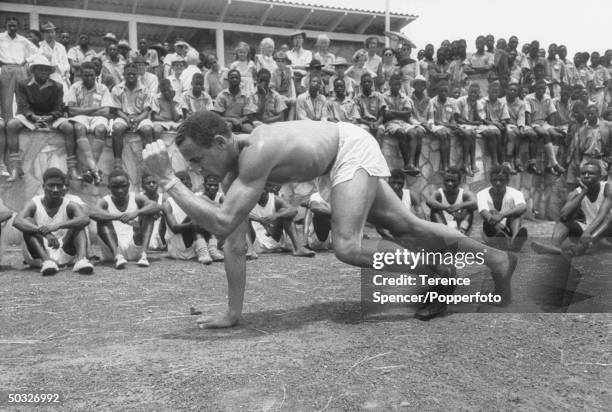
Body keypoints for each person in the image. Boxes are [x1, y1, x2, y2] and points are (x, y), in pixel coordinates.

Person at [142, 112, 518, 328]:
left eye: (195, 158)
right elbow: (233, 242)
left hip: (348, 149)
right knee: (408, 227)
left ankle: (436, 271)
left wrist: (167, 181)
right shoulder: (235, 173)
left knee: (348, 247)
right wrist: (232, 314)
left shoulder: (256, 153)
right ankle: (496, 259)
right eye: (189, 164)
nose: (194, 168)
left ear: (221, 143)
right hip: (334, 160)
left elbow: (220, 222)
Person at [12, 168, 93, 276]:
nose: (55, 189)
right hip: (39, 255)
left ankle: (82, 260)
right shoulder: (35, 202)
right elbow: (17, 221)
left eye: (59, 185)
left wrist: (57, 226)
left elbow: (85, 219)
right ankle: (47, 262)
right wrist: (44, 233)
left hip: (64, 252)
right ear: (43, 186)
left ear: (63, 186)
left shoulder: (69, 204)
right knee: (27, 222)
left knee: (79, 223)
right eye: (51, 185)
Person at [6, 56, 74, 183]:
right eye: (40, 69)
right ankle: (16, 167)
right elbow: (22, 105)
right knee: (11, 125)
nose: (44, 72)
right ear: (34, 71)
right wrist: (34, 117)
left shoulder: (57, 86)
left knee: (68, 127)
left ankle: (72, 168)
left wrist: (49, 118)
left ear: (50, 72)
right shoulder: (23, 84)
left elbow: (59, 108)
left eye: (46, 70)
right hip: (30, 116)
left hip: (50, 116)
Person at [532, 161, 612, 256]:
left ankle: (575, 251)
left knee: (610, 217)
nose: (586, 176)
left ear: (600, 176)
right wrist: (583, 192)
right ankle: (554, 247)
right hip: (591, 232)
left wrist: (587, 232)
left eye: (591, 173)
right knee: (565, 219)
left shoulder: (608, 188)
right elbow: (564, 215)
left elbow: (603, 216)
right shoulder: (576, 192)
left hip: (606, 230)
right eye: (583, 173)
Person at [90, 169, 159, 268]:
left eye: (123, 186)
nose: (120, 190)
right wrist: (118, 217)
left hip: (135, 247)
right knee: (102, 218)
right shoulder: (105, 201)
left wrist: (136, 213)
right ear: (109, 187)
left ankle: (144, 255)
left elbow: (155, 205)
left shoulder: (136, 198)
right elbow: (92, 212)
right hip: (112, 250)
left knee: (150, 213)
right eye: (115, 187)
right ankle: (118, 256)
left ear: (129, 185)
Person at [65, 61, 112, 185]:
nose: (89, 78)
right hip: (82, 117)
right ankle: (95, 170)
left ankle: (90, 170)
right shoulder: (75, 87)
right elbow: (71, 110)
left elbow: (106, 111)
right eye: (86, 75)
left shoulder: (103, 88)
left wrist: (83, 110)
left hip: (96, 118)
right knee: (79, 128)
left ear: (95, 75)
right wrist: (93, 109)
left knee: (101, 129)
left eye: (91, 75)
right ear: (81, 75)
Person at [247, 183, 315, 257]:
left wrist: (276, 216)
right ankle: (250, 251)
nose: (262, 191)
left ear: (267, 190)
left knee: (284, 212)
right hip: (255, 242)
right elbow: (236, 213)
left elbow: (293, 210)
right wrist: (259, 220)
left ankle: (298, 249)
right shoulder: (248, 200)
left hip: (273, 238)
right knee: (243, 219)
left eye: (264, 189)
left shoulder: (275, 199)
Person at [161, 171, 215, 263]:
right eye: (182, 182)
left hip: (195, 246)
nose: (187, 184)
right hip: (179, 249)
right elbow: (174, 228)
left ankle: (211, 249)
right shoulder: (168, 204)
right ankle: (205, 251)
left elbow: (216, 207)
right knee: (195, 215)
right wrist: (191, 224)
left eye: (188, 182)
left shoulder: (198, 196)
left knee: (208, 211)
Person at [109, 63, 155, 169]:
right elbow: (117, 110)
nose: (131, 75)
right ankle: (117, 160)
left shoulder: (145, 89)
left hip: (141, 116)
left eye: (133, 73)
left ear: (137, 74)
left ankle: (147, 161)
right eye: (128, 73)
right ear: (124, 74)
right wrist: (127, 119)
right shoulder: (117, 89)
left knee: (147, 129)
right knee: (117, 128)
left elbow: (147, 110)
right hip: (123, 116)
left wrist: (137, 119)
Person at [477, 165, 528, 251]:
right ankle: (504, 240)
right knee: (490, 219)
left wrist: (502, 215)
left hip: (510, 228)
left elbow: (522, 207)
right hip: (491, 230)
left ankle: (513, 240)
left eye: (501, 180)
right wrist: (496, 220)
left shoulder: (515, 193)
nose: (498, 183)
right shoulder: (481, 194)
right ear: (490, 181)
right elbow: (484, 212)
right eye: (495, 180)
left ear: (507, 181)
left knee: (516, 216)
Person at [382, 74, 423, 176]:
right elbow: (386, 115)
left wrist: (393, 112)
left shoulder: (404, 97)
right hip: (390, 123)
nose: (397, 86)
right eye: (394, 84)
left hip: (403, 122)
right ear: (390, 84)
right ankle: (407, 163)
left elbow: (408, 113)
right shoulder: (384, 96)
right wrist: (400, 113)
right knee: (401, 133)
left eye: (398, 84)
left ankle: (410, 163)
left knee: (414, 133)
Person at [0, 17, 38, 123]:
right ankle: (7, 121)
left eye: (14, 25)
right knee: (6, 97)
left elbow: (38, 51)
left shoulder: (22, 40)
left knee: (22, 96)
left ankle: (22, 121)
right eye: (10, 24)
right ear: (5, 25)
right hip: (6, 68)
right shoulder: (1, 37)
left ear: (18, 27)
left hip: (20, 69)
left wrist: (26, 60)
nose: (12, 26)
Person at [525, 79, 566, 175]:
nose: (541, 91)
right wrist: (531, 127)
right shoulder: (528, 98)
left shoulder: (547, 98)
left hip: (543, 123)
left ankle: (549, 166)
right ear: (535, 89)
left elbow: (551, 113)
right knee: (545, 134)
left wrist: (552, 127)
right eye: (539, 88)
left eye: (543, 89)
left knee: (556, 135)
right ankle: (555, 164)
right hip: (533, 123)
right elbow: (527, 114)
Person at [425, 167, 476, 235]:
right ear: (443, 181)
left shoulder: (465, 194)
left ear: (459, 182)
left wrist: (460, 206)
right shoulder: (438, 193)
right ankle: (444, 231)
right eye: (447, 180)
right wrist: (446, 208)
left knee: (469, 209)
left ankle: (461, 232)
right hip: (442, 226)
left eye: (453, 181)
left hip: (460, 225)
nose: (449, 183)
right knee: (434, 209)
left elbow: (475, 203)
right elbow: (429, 201)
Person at [502, 82, 540, 174]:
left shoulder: (521, 103)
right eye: (510, 90)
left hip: (518, 124)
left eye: (515, 90)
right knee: (513, 134)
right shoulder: (502, 101)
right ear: (507, 91)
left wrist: (521, 127)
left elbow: (521, 116)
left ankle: (532, 163)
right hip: (506, 124)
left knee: (533, 134)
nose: (512, 92)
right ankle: (510, 162)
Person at [212, 69, 257, 133]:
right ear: (228, 80)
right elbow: (217, 116)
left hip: (242, 121)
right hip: (226, 121)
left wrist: (240, 120)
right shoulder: (222, 95)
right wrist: (232, 120)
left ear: (240, 80)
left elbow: (249, 115)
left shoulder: (246, 95)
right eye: (232, 78)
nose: (234, 79)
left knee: (249, 129)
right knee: (227, 128)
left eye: (237, 78)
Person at [481, 80, 510, 168]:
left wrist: (503, 123)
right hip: (485, 124)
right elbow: (482, 118)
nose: (494, 93)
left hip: (498, 124)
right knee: (495, 132)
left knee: (508, 132)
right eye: (492, 91)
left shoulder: (502, 102)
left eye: (496, 92)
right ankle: (496, 160)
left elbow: (505, 117)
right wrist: (495, 124)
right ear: (488, 91)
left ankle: (505, 160)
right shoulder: (483, 102)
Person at [431, 81, 458, 171]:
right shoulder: (433, 102)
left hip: (447, 126)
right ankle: (444, 163)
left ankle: (445, 163)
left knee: (447, 134)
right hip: (435, 125)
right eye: (441, 91)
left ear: (448, 92)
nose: (443, 93)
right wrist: (448, 125)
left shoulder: (451, 102)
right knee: (444, 134)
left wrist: (453, 124)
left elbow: (453, 118)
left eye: (445, 91)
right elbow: (435, 121)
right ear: (438, 91)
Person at [353, 73, 385, 145]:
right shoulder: (357, 98)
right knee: (365, 131)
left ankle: (377, 154)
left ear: (372, 83)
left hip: (377, 122)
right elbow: (358, 118)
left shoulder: (378, 96)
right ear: (361, 84)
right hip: (363, 123)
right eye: (364, 82)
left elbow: (382, 115)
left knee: (380, 132)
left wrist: (377, 123)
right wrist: (369, 123)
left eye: (369, 82)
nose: (367, 83)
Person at [38, 22, 70, 94]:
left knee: (62, 101)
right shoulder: (40, 46)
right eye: (47, 32)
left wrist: (60, 68)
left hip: (60, 77)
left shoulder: (61, 47)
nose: (50, 34)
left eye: (52, 32)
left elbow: (66, 64)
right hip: (45, 78)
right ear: (43, 34)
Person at [141, 172, 166, 251]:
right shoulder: (139, 198)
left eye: (154, 182)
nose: (151, 185)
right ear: (142, 185)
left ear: (158, 184)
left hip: (160, 231)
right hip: (143, 229)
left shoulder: (163, 198)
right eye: (148, 183)